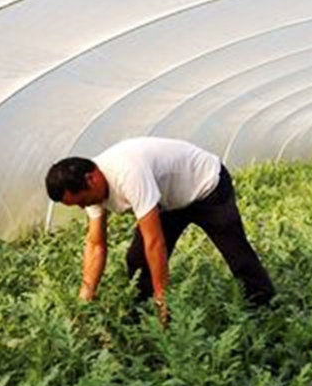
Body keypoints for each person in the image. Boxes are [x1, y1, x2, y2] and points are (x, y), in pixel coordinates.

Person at [45, 137, 275, 324]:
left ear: (91, 179)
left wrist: (162, 297)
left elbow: (154, 241)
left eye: (82, 200)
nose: (83, 206)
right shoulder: (89, 189)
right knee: (137, 259)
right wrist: (85, 297)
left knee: (236, 252)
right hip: (168, 200)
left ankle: (266, 309)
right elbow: (96, 245)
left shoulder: (127, 171)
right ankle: (144, 317)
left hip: (207, 187)